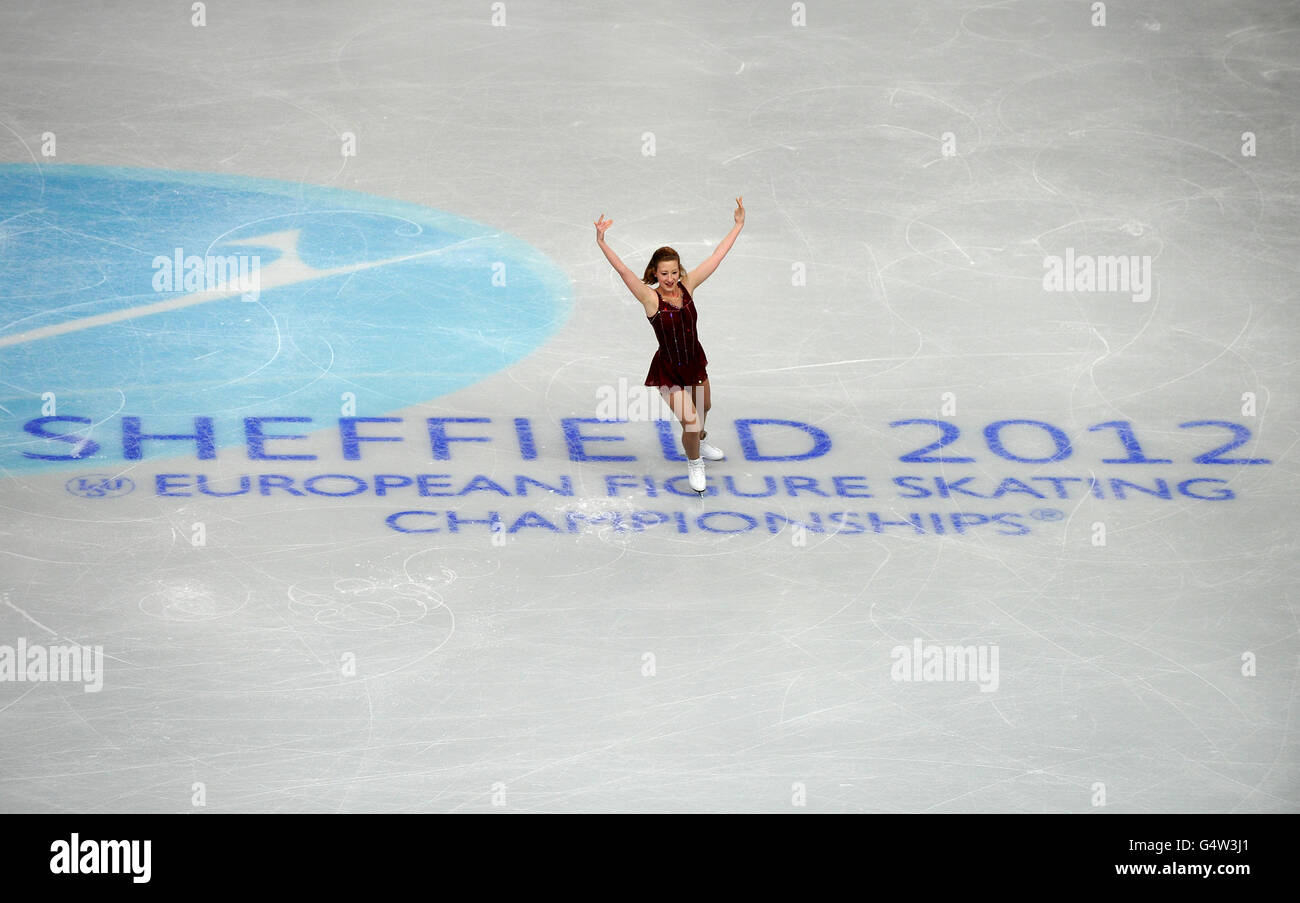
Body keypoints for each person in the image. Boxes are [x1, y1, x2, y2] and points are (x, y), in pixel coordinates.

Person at [594, 198, 745, 493]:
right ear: (655, 273)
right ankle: (695, 462)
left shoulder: (688, 285)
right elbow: (624, 271)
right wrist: (602, 241)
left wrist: (737, 225)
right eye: (664, 274)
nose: (670, 278)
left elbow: (716, 256)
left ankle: (701, 438)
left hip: (694, 363)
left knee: (704, 410)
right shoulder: (651, 299)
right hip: (668, 371)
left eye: (674, 272)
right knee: (689, 422)